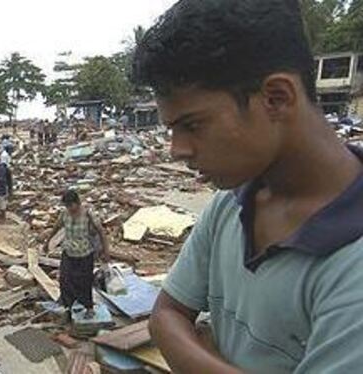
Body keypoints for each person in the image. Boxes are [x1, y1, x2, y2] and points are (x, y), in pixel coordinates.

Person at [136, 1, 363, 373]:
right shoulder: (232, 203)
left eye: (192, 125)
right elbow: (166, 316)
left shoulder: (353, 268)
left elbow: (174, 325)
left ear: (276, 97)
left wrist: (196, 351)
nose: (176, 150)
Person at [43, 190, 110, 320]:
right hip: (68, 252)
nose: (69, 208)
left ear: (77, 203)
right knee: (65, 279)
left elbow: (101, 233)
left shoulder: (88, 215)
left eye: (70, 205)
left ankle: (88, 307)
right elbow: (56, 228)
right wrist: (47, 242)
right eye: (67, 206)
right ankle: (68, 306)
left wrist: (105, 252)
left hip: (85, 254)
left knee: (84, 281)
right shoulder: (64, 214)